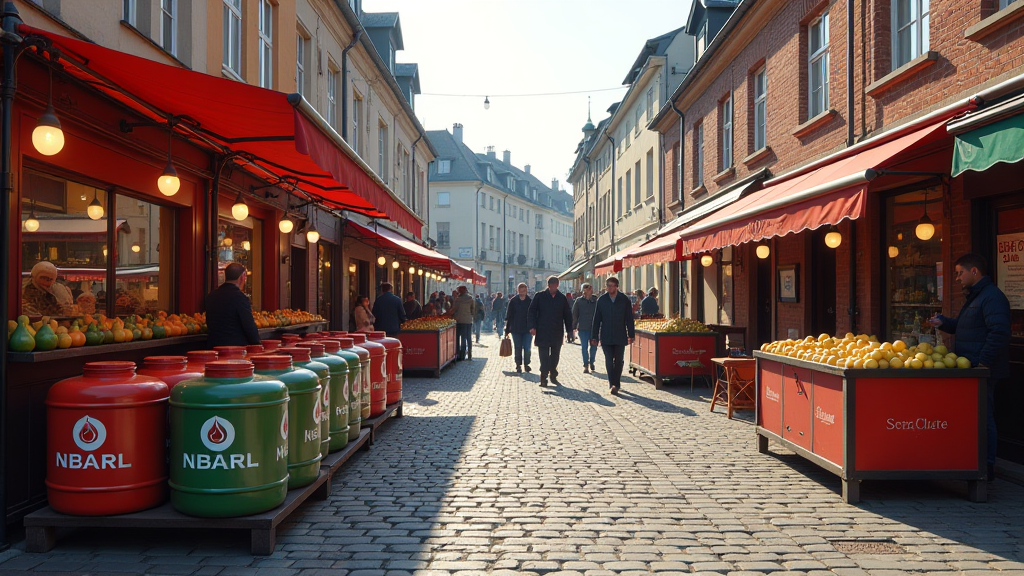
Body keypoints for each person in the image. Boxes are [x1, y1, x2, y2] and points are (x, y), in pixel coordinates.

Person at [928, 253, 1010, 481]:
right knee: (975, 416)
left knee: (984, 417)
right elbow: (968, 328)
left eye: (959, 273)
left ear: (974, 272)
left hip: (982, 370)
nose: (956, 278)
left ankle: (987, 467)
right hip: (970, 368)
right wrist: (945, 322)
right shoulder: (975, 296)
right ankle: (975, 462)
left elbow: (999, 332)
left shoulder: (991, 297)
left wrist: (983, 362)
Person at [591, 276, 635, 395]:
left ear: (617, 286)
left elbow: (629, 319)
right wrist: (594, 336)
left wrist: (631, 334)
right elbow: (596, 319)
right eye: (608, 286)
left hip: (620, 335)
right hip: (606, 335)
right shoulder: (602, 300)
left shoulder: (624, 300)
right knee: (609, 360)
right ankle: (612, 384)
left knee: (619, 361)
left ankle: (617, 382)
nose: (610, 288)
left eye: (612, 285)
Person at [528, 276, 573, 386]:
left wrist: (569, 330)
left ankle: (553, 373)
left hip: (557, 331)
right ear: (548, 285)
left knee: (555, 355)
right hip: (542, 331)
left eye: (554, 285)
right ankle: (543, 376)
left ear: (557, 285)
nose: (552, 287)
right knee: (543, 356)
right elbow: (532, 312)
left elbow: (567, 315)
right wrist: (532, 326)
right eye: (550, 285)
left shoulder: (561, 298)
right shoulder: (540, 296)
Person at [204, 262, 261, 348]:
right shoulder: (240, 298)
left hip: (213, 347)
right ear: (242, 277)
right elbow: (249, 326)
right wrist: (257, 344)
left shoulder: (211, 296)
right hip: (235, 349)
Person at [505, 283, 533, 373]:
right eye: (521, 290)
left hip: (527, 329)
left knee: (527, 347)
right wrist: (507, 329)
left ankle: (527, 364)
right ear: (518, 290)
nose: (522, 292)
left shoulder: (530, 301)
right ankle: (518, 364)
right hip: (515, 328)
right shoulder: (513, 301)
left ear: (526, 291)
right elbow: (509, 315)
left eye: (524, 290)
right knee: (518, 347)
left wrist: (534, 327)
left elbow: (534, 315)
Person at [572, 283, 599, 373]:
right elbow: (575, 314)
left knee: (594, 346)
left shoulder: (596, 300)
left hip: (594, 328)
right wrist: (574, 326)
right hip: (583, 327)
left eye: (589, 288)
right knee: (584, 347)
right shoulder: (579, 301)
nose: (588, 290)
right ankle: (585, 365)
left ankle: (591, 361)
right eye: (586, 288)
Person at [449, 286, 476, 361]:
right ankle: (470, 353)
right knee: (468, 337)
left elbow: (454, 309)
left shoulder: (458, 299)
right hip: (468, 320)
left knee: (460, 337)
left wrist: (449, 314)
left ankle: (461, 354)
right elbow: (473, 309)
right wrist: (470, 316)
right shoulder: (470, 299)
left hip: (460, 320)